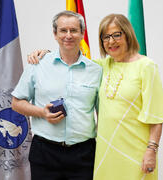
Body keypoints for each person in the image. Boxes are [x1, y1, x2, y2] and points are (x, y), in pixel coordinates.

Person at [28, 13, 163, 180]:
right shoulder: (101, 66)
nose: (111, 41)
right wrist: (47, 54)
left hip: (136, 150)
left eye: (117, 35)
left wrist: (151, 150)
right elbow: (71, 62)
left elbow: (156, 115)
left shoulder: (146, 66)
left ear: (128, 34)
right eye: (105, 37)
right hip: (105, 151)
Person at [11, 10, 102, 180]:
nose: (68, 35)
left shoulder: (96, 71)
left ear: (82, 33)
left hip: (84, 155)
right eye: (63, 30)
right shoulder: (38, 65)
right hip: (45, 153)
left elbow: (103, 113)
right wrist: (42, 113)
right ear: (55, 34)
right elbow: (16, 102)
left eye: (74, 30)